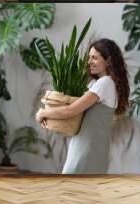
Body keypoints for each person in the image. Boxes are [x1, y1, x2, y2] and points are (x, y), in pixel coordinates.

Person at [35, 38, 130, 174]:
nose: (89, 62)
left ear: (108, 61)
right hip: (85, 146)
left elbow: (71, 110)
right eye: (89, 57)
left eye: (94, 58)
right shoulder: (97, 83)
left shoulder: (106, 83)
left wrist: (43, 113)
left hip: (88, 149)